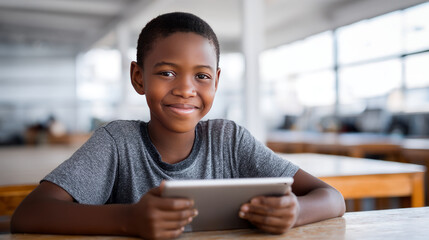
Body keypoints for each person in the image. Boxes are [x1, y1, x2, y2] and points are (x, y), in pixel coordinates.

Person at [11, 12, 345, 239]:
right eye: (167, 72)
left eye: (201, 76)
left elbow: (331, 198)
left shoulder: (229, 140)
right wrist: (128, 220)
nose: (186, 89)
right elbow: (28, 214)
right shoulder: (116, 142)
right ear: (138, 78)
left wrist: (295, 211)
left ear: (216, 82)